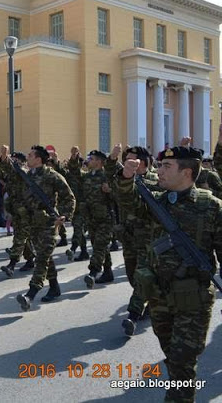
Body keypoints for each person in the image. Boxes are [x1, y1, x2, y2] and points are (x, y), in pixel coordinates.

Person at [117, 146, 221, 402]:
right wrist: (126, 178)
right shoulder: (156, 201)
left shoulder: (211, 207)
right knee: (172, 357)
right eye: (160, 165)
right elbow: (127, 201)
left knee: (182, 361)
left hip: (193, 298)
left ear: (186, 172)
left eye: (167, 167)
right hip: (159, 296)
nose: (159, 170)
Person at [1, 145, 75, 311]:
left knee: (41, 258)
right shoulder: (27, 175)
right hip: (32, 223)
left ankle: (31, 293)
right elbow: (8, 172)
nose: (27, 157)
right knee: (45, 257)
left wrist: (64, 215)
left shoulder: (52, 176)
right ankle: (54, 287)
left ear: (39, 159)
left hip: (48, 223)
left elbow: (69, 197)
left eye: (30, 155)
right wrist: (4, 157)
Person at [105, 144, 160, 336]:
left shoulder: (156, 180)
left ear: (143, 162)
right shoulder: (124, 179)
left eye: (132, 159)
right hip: (129, 236)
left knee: (142, 275)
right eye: (125, 159)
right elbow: (112, 175)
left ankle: (133, 315)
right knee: (131, 273)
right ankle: (149, 300)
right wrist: (113, 158)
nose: (126, 162)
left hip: (148, 237)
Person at [66, 148, 114, 288]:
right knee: (100, 246)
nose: (88, 161)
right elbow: (74, 173)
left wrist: (110, 190)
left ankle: (93, 272)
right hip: (91, 218)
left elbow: (118, 194)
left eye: (91, 159)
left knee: (99, 245)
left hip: (105, 218)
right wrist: (74, 157)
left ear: (99, 162)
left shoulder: (107, 177)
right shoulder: (86, 177)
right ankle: (108, 271)